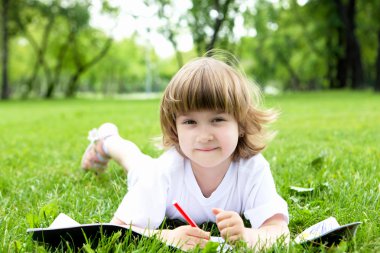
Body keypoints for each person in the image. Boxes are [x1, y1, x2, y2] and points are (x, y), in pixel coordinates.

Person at [81, 53, 290, 251]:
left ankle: (108, 139)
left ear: (241, 124)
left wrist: (247, 236)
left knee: (138, 161)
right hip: (153, 174)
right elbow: (116, 231)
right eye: (190, 122)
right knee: (134, 162)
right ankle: (107, 141)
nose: (204, 136)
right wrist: (168, 237)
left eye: (217, 120)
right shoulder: (163, 171)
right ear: (175, 128)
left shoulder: (252, 168)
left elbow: (279, 233)